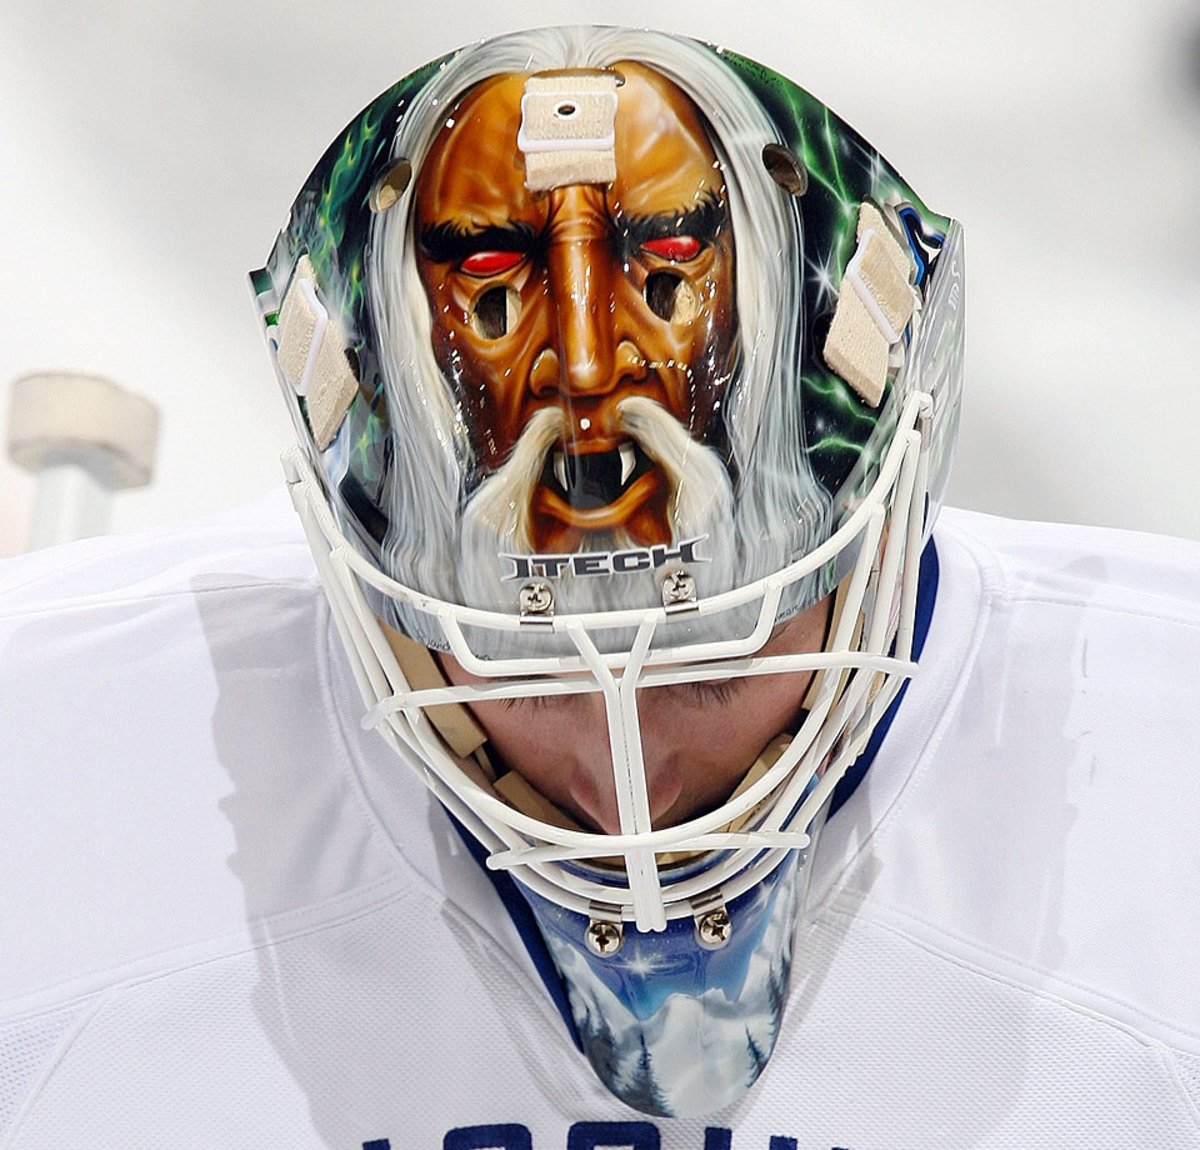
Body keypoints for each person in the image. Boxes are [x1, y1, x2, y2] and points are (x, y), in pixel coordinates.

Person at [2, 25, 1198, 1150]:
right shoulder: (47, 782)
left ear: (878, 532)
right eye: (533, 665)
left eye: (709, 666)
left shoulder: (1161, 772)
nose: (633, 782)